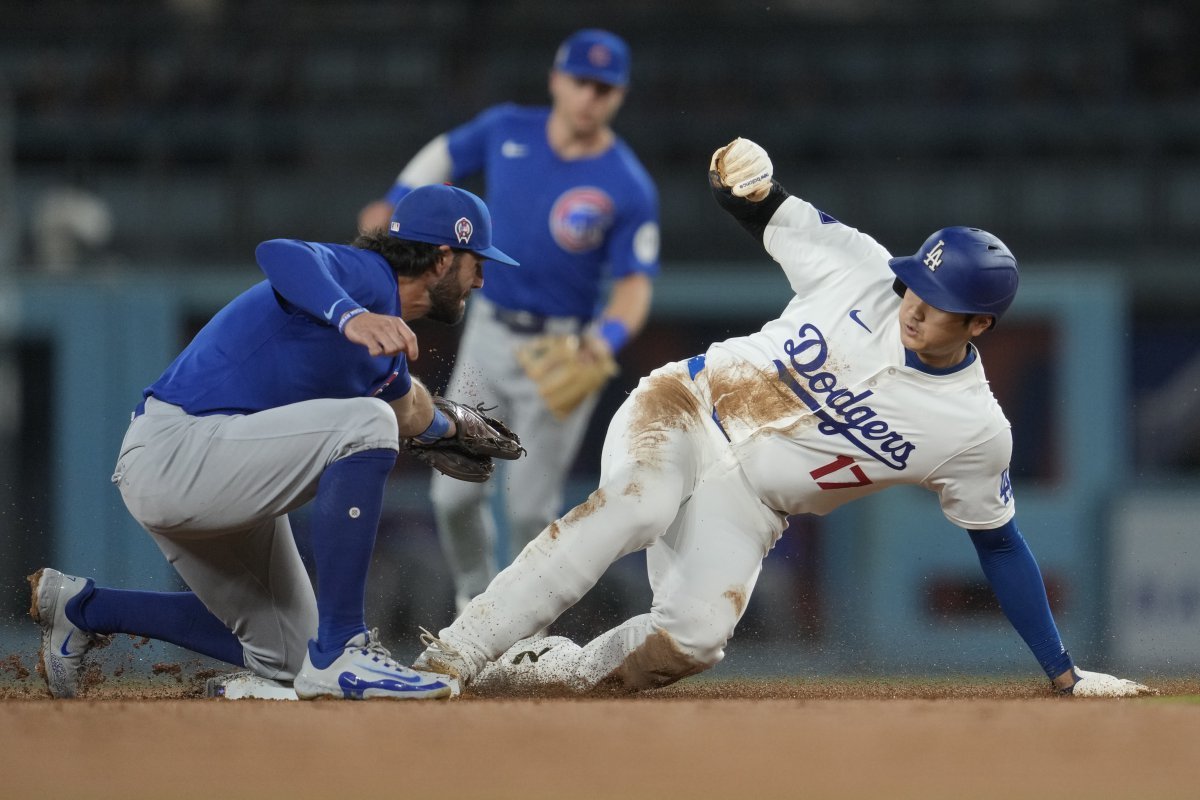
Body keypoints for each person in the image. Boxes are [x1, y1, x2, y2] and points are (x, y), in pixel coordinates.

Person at [411, 138, 1153, 699]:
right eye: (919, 282)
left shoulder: (974, 430)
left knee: (695, 639)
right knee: (636, 507)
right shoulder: (860, 267)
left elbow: (1001, 546)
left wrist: (1062, 673)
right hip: (686, 408)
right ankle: (454, 652)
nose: (918, 302)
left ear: (981, 326)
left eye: (943, 299)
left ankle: (554, 673)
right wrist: (741, 170)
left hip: (750, 504)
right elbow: (755, 198)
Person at [28, 184, 520, 701]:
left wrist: (451, 429)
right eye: (475, 262)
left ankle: (82, 610)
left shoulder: (383, 346)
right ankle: (344, 650)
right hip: (177, 449)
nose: (481, 278)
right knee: (367, 423)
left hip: (210, 465)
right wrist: (351, 315)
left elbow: (408, 409)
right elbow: (281, 254)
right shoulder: (366, 278)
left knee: (289, 656)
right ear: (442, 259)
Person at [357, 29, 661, 613]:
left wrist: (607, 337)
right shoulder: (507, 129)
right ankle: (477, 604)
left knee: (529, 507)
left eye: (605, 88)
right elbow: (445, 154)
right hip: (490, 335)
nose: (590, 97)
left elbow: (634, 288)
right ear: (556, 79)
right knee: (451, 495)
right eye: (581, 81)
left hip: (563, 348)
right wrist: (397, 195)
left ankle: (526, 635)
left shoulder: (627, 184)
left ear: (618, 96)